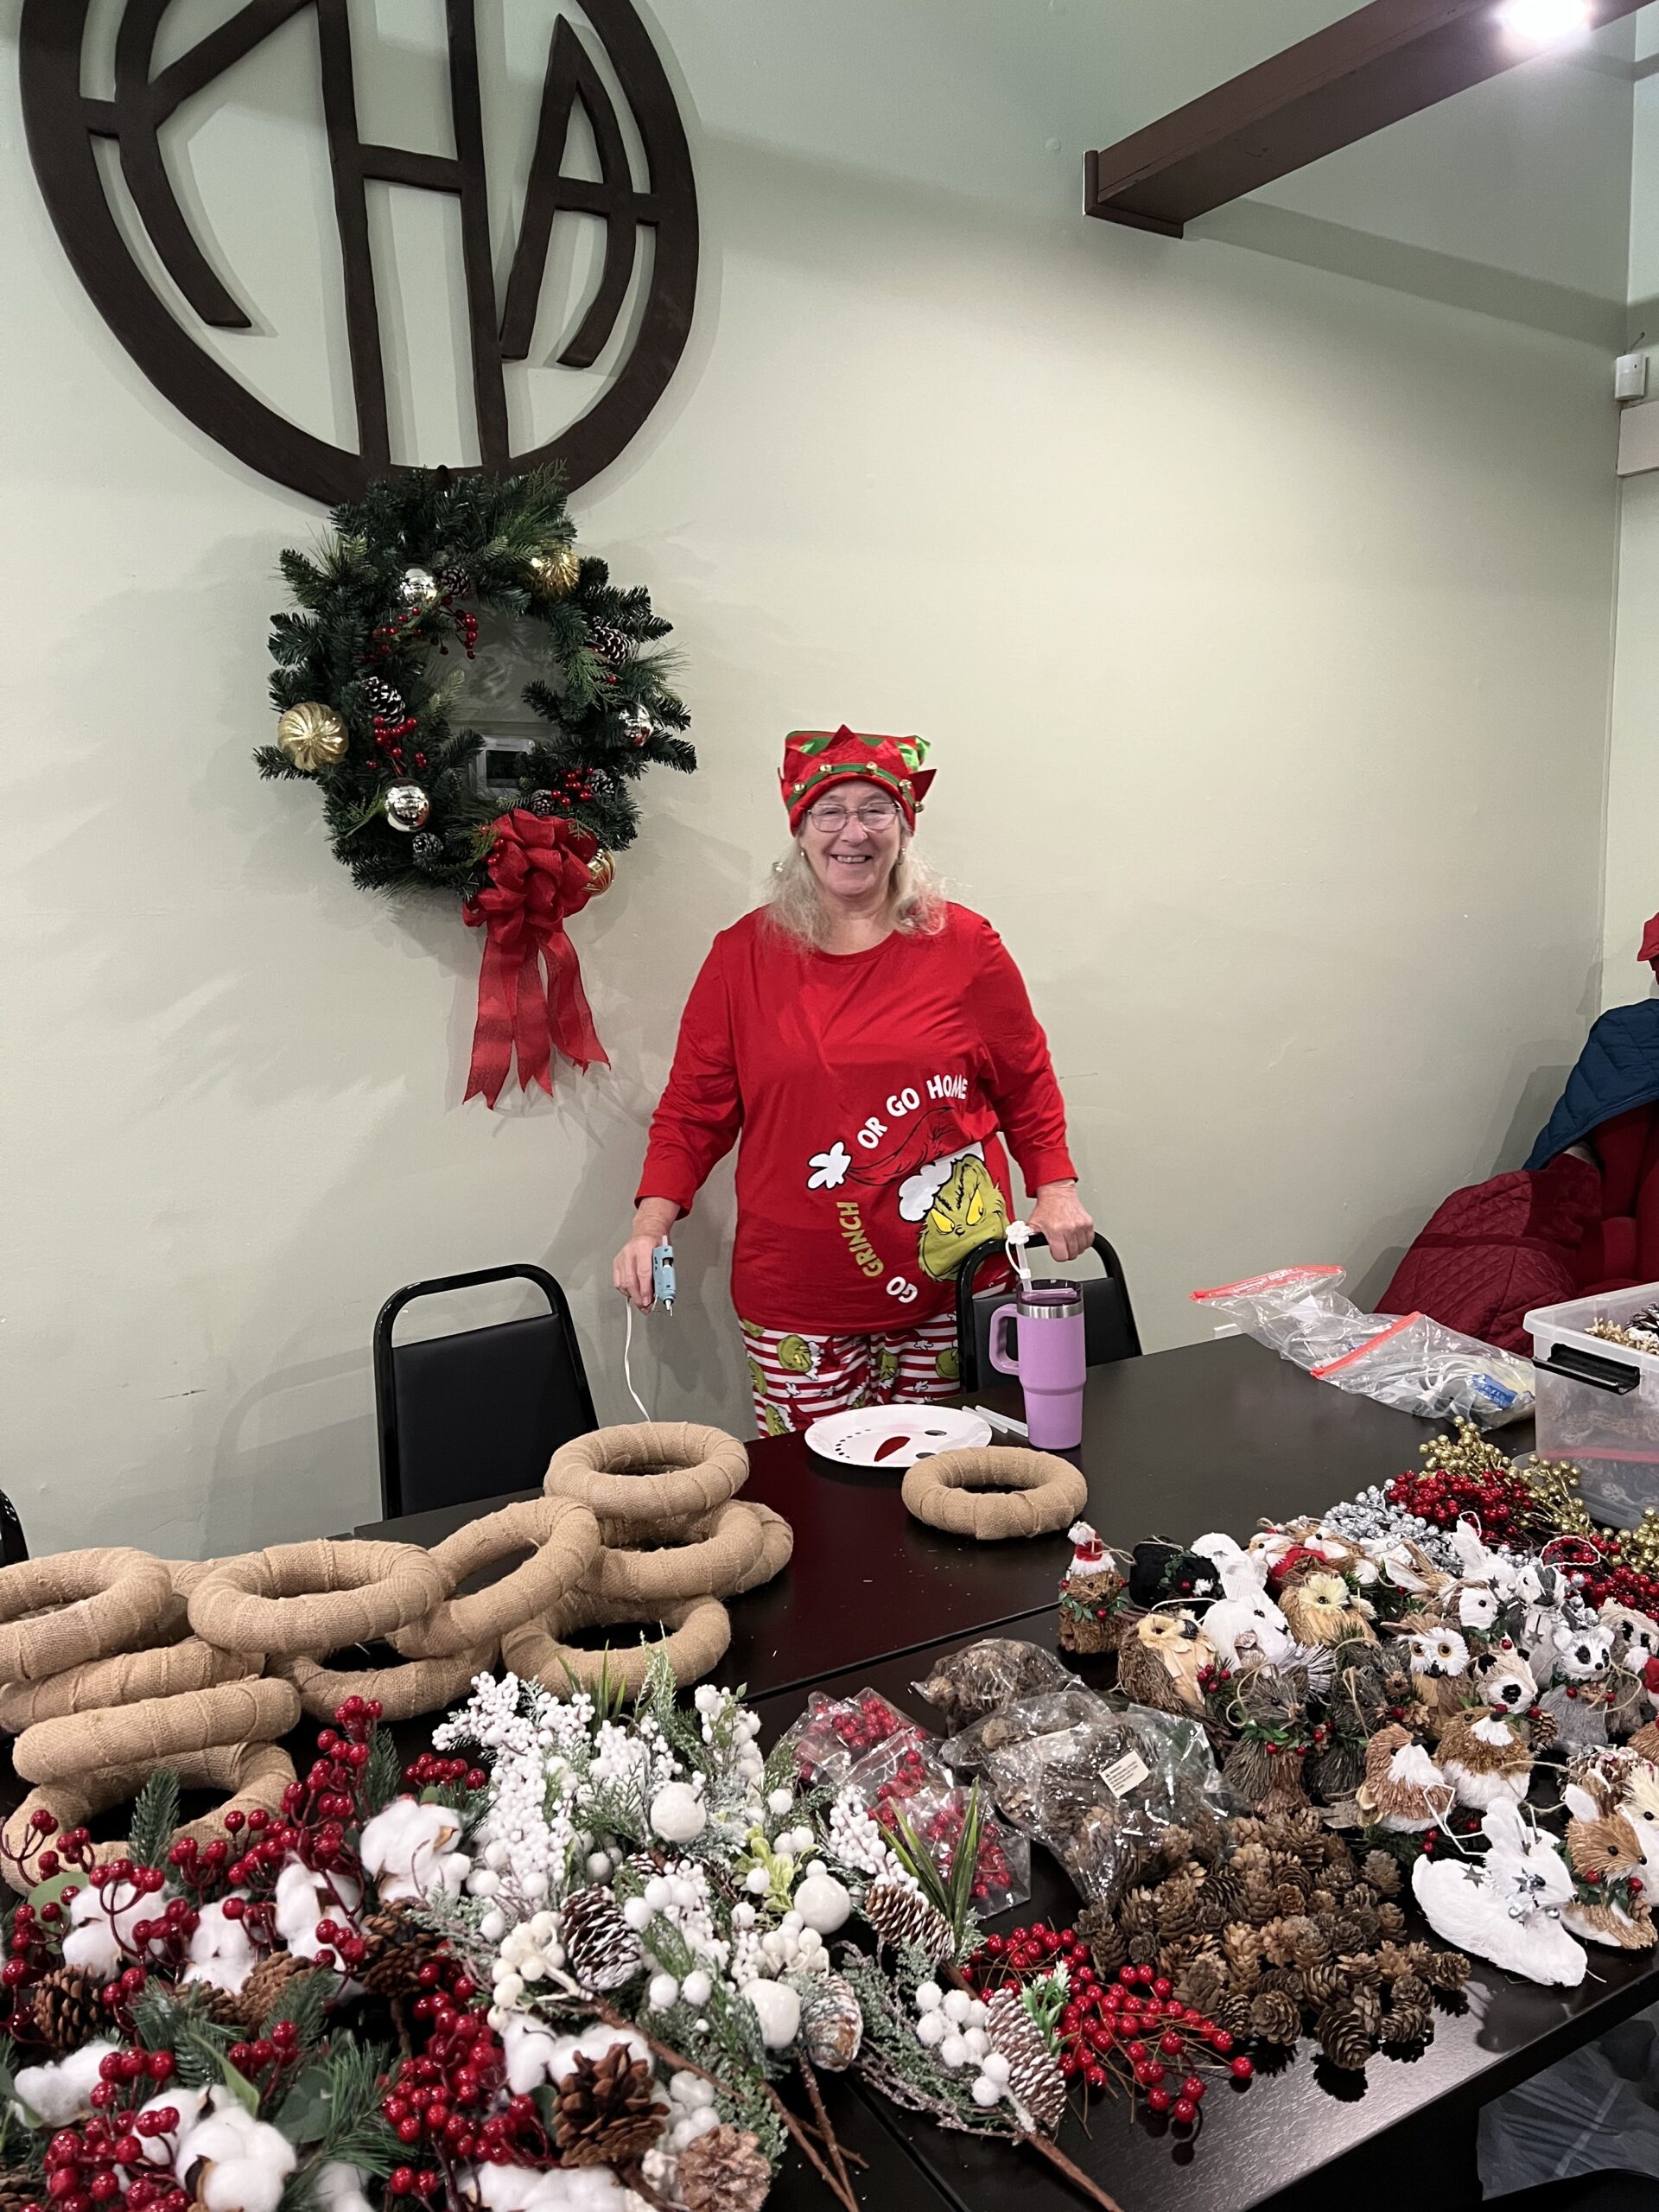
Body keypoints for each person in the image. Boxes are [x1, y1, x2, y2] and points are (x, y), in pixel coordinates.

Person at [613, 726, 1093, 1435]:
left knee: (952, 1482)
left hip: (955, 1285)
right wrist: (650, 1227)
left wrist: (1056, 1189)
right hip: (799, 1298)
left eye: (876, 810)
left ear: (904, 826)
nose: (854, 832)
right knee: (815, 1493)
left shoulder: (966, 945)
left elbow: (1025, 1080)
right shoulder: (741, 956)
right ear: (800, 830)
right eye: (830, 812)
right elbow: (693, 1109)